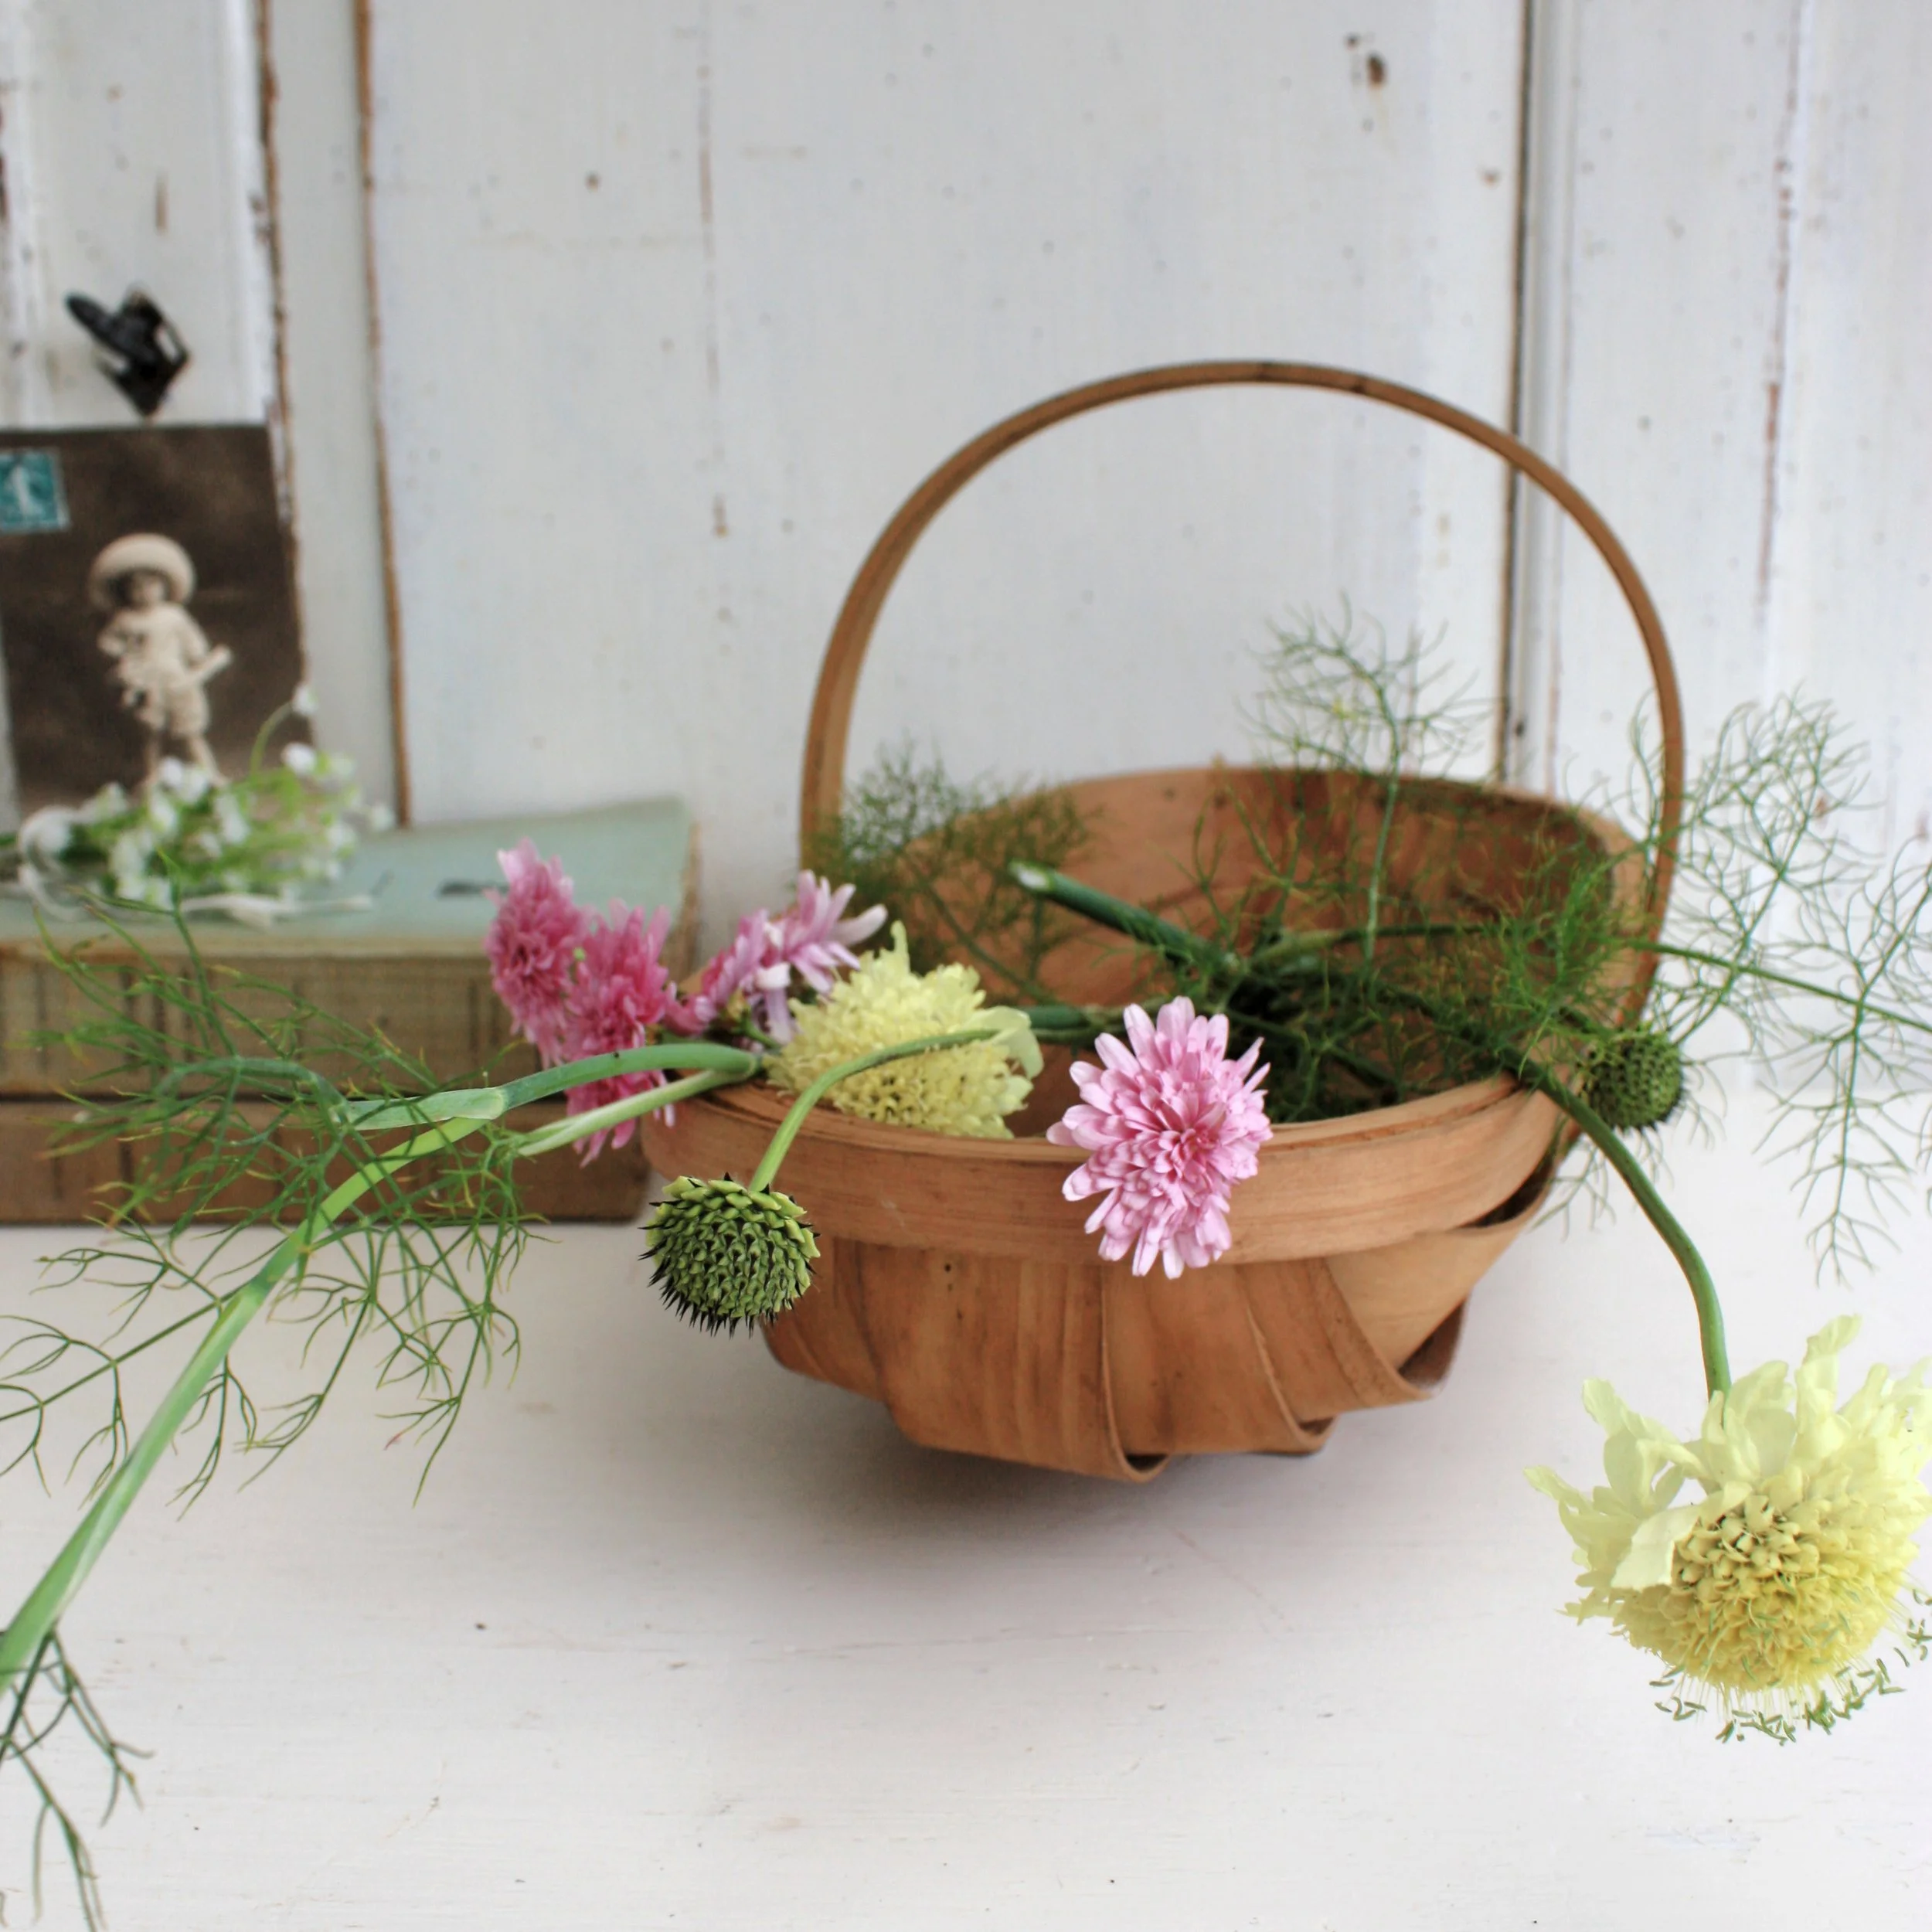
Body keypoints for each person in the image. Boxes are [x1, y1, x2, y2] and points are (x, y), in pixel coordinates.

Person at [89, 532, 232, 778]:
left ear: (164, 586)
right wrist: (123, 656)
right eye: (136, 587)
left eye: (152, 585)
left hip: (176, 680)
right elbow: (107, 643)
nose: (144, 592)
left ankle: (210, 775)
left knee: (190, 732)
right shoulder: (125, 619)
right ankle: (151, 777)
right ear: (126, 591)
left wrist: (200, 662)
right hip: (147, 683)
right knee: (150, 736)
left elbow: (193, 646)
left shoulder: (174, 616)